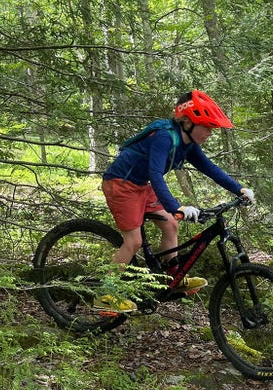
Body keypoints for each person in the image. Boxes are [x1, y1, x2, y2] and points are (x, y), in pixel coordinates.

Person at [97, 90, 254, 312]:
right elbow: (155, 173)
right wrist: (176, 206)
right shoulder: (164, 136)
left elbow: (209, 168)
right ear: (188, 122)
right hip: (121, 184)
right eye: (206, 126)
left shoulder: (187, 143)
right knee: (133, 242)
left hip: (141, 186)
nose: (210, 132)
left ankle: (173, 278)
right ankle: (105, 294)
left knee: (171, 224)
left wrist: (239, 189)